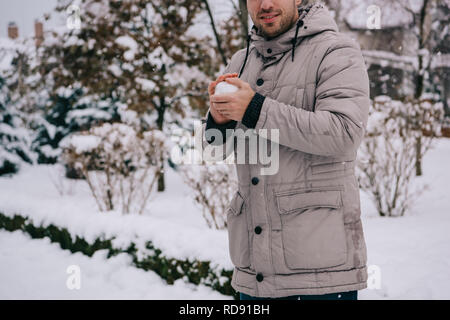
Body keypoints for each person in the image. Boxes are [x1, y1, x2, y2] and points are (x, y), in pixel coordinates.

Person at [203, 0, 370, 300]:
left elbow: (344, 133)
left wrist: (254, 108)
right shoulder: (240, 61)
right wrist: (218, 121)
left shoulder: (337, 51)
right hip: (254, 275)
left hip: (320, 275)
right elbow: (213, 152)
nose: (265, 4)